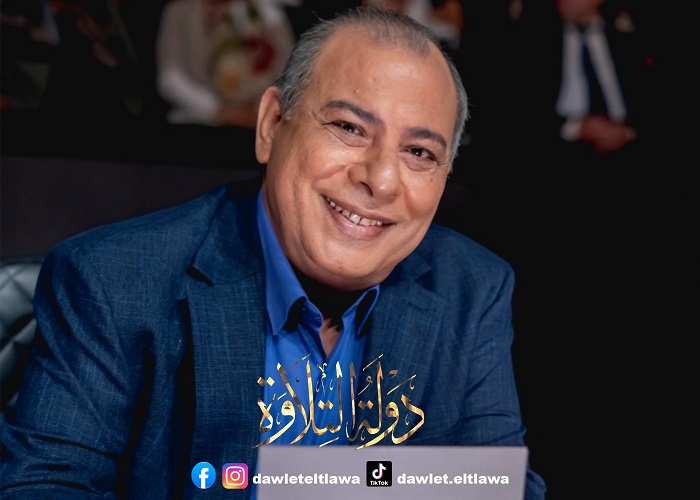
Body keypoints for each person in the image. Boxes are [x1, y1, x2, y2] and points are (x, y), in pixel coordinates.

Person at [0, 6, 546, 499]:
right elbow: (45, 487)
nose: (381, 180)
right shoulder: (113, 281)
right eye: (349, 128)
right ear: (270, 126)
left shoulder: (471, 287)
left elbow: (499, 486)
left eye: (420, 152)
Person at [155, 0, 298, 128]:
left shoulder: (267, 12)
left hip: (260, 122)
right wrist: (219, 112)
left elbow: (289, 71)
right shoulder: (181, 10)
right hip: (200, 123)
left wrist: (261, 111)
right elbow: (170, 79)